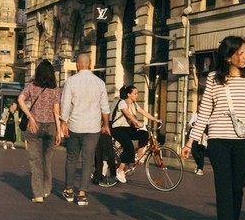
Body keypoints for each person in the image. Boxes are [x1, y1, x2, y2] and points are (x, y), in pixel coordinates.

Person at [183, 36, 245, 220]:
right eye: (240, 53)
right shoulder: (213, 79)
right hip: (218, 140)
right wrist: (191, 141)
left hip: (244, 141)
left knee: (237, 188)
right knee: (223, 188)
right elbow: (205, 111)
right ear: (228, 57)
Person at [58, 53, 109, 205]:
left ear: (77, 65)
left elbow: (65, 105)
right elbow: (105, 108)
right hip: (93, 127)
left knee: (71, 158)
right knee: (88, 160)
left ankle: (68, 190)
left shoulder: (71, 81)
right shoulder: (100, 83)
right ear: (91, 64)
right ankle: (82, 194)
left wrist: (63, 123)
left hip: (74, 125)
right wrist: (106, 125)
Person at [17, 60, 61, 202]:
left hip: (34, 125)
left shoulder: (32, 86)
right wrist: (59, 130)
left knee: (36, 161)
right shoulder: (55, 89)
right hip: (51, 126)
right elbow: (56, 111)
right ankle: (47, 188)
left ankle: (38, 194)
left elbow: (20, 100)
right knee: (47, 160)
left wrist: (30, 117)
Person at [110, 85, 156, 184]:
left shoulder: (134, 104)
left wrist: (156, 120)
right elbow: (129, 115)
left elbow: (144, 112)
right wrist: (137, 122)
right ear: (129, 94)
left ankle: (137, 156)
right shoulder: (122, 103)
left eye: (137, 93)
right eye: (135, 93)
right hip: (117, 129)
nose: (137, 95)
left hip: (127, 129)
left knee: (144, 134)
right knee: (129, 147)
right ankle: (120, 170)